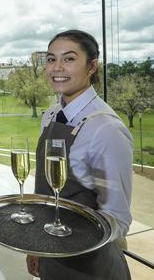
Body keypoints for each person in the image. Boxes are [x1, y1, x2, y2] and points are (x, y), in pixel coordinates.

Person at [26, 30, 133, 279]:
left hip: (90, 267)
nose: (57, 68)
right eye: (51, 59)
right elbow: (45, 192)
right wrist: (38, 247)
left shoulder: (107, 129)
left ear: (92, 66)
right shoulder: (50, 115)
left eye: (69, 59)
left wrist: (68, 241)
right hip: (52, 258)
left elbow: (119, 218)